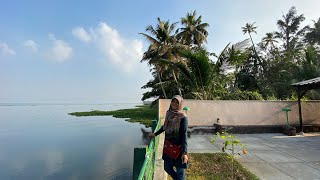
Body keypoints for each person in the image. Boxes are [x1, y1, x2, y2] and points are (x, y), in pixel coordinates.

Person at [149, 95, 188, 180]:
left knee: (180, 172)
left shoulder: (183, 117)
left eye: (177, 102)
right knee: (167, 168)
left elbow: (184, 135)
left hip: (179, 148)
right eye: (173, 101)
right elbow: (164, 127)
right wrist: (155, 134)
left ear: (180, 104)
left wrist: (184, 152)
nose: (174, 103)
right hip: (168, 147)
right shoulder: (168, 113)